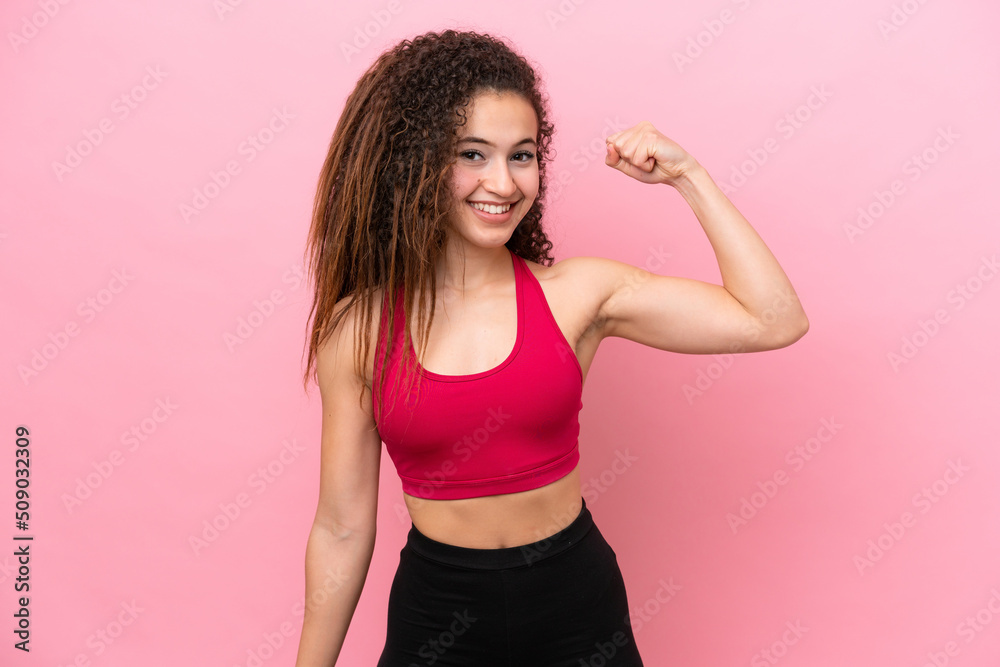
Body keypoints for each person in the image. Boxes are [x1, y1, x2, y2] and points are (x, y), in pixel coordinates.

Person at [294, 29, 808, 667]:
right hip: (437, 617)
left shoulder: (577, 295)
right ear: (416, 160)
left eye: (523, 155)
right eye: (473, 154)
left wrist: (688, 177)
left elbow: (773, 319)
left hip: (576, 606)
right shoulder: (360, 330)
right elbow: (342, 527)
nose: (504, 183)